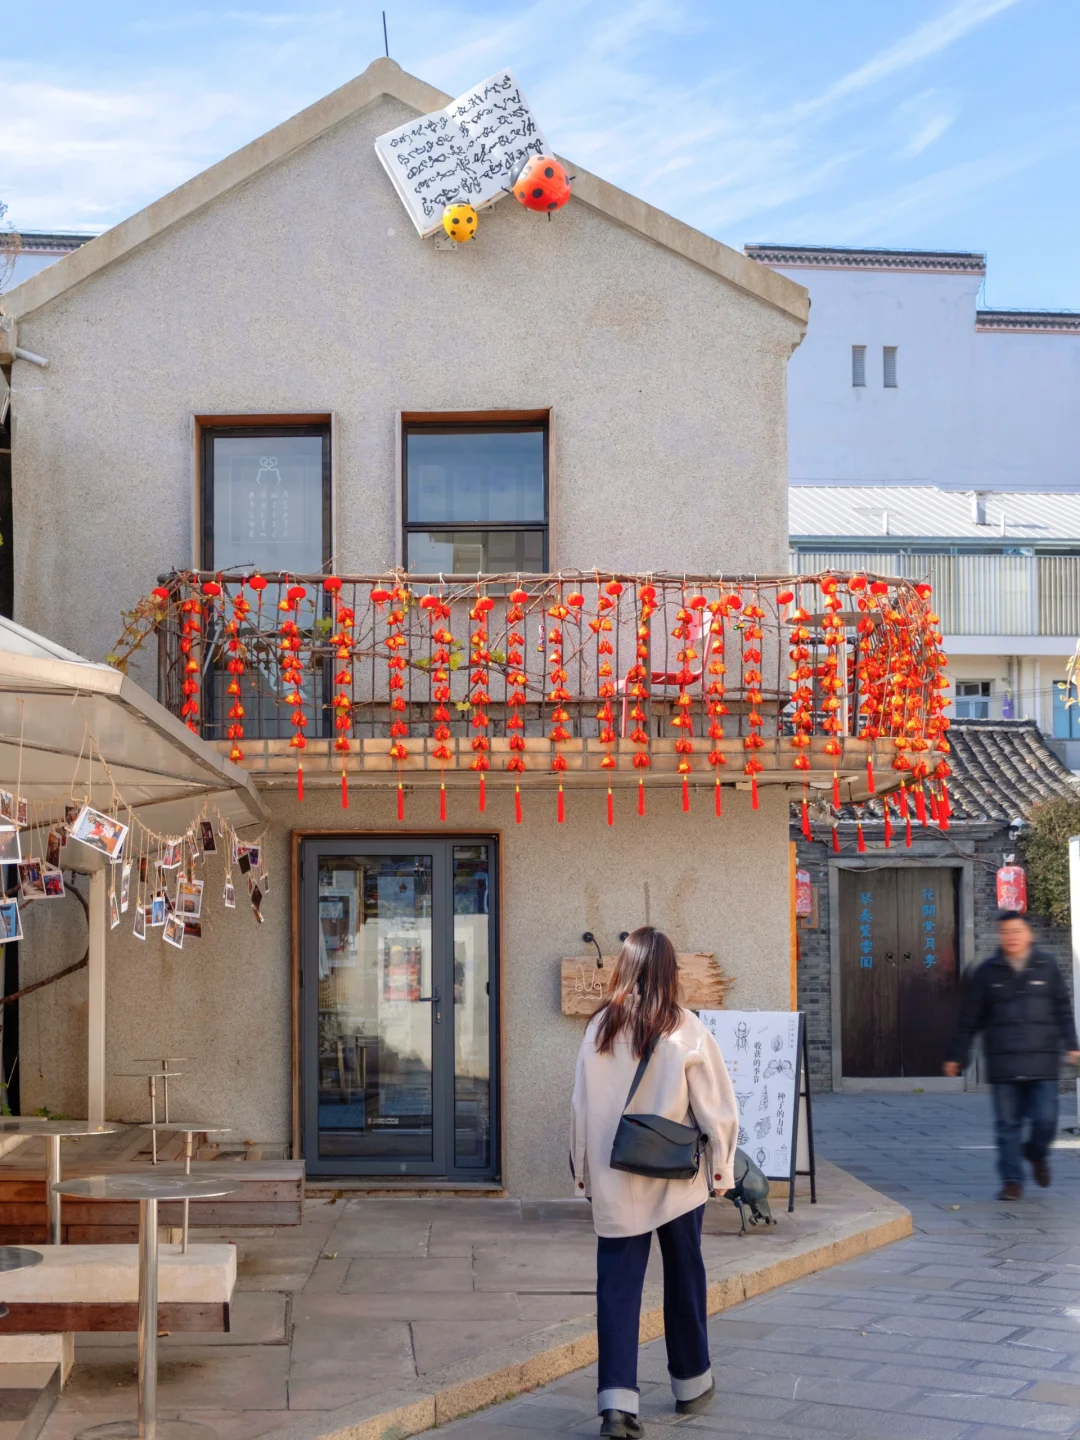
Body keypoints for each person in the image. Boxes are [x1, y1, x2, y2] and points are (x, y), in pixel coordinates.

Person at [570, 927, 738, 1439]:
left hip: (615, 1174)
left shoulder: (600, 1027)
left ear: (625, 967)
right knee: (685, 1275)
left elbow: (580, 1108)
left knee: (616, 1287)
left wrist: (583, 1173)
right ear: (670, 970)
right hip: (674, 1178)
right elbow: (717, 1109)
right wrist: (722, 1169)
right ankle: (691, 1383)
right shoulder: (685, 1028)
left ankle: (617, 1406)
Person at [945, 910, 1080, 1201]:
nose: (1012, 937)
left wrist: (1073, 1044)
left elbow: (1062, 1010)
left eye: (1017, 931)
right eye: (1006, 932)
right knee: (1008, 1125)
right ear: (1000, 935)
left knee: (1046, 1120)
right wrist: (957, 1055)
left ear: (1029, 934)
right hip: (1003, 1061)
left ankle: (1036, 1154)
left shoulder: (1047, 966)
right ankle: (1011, 1180)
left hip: (1042, 1062)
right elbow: (970, 1018)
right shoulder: (987, 972)